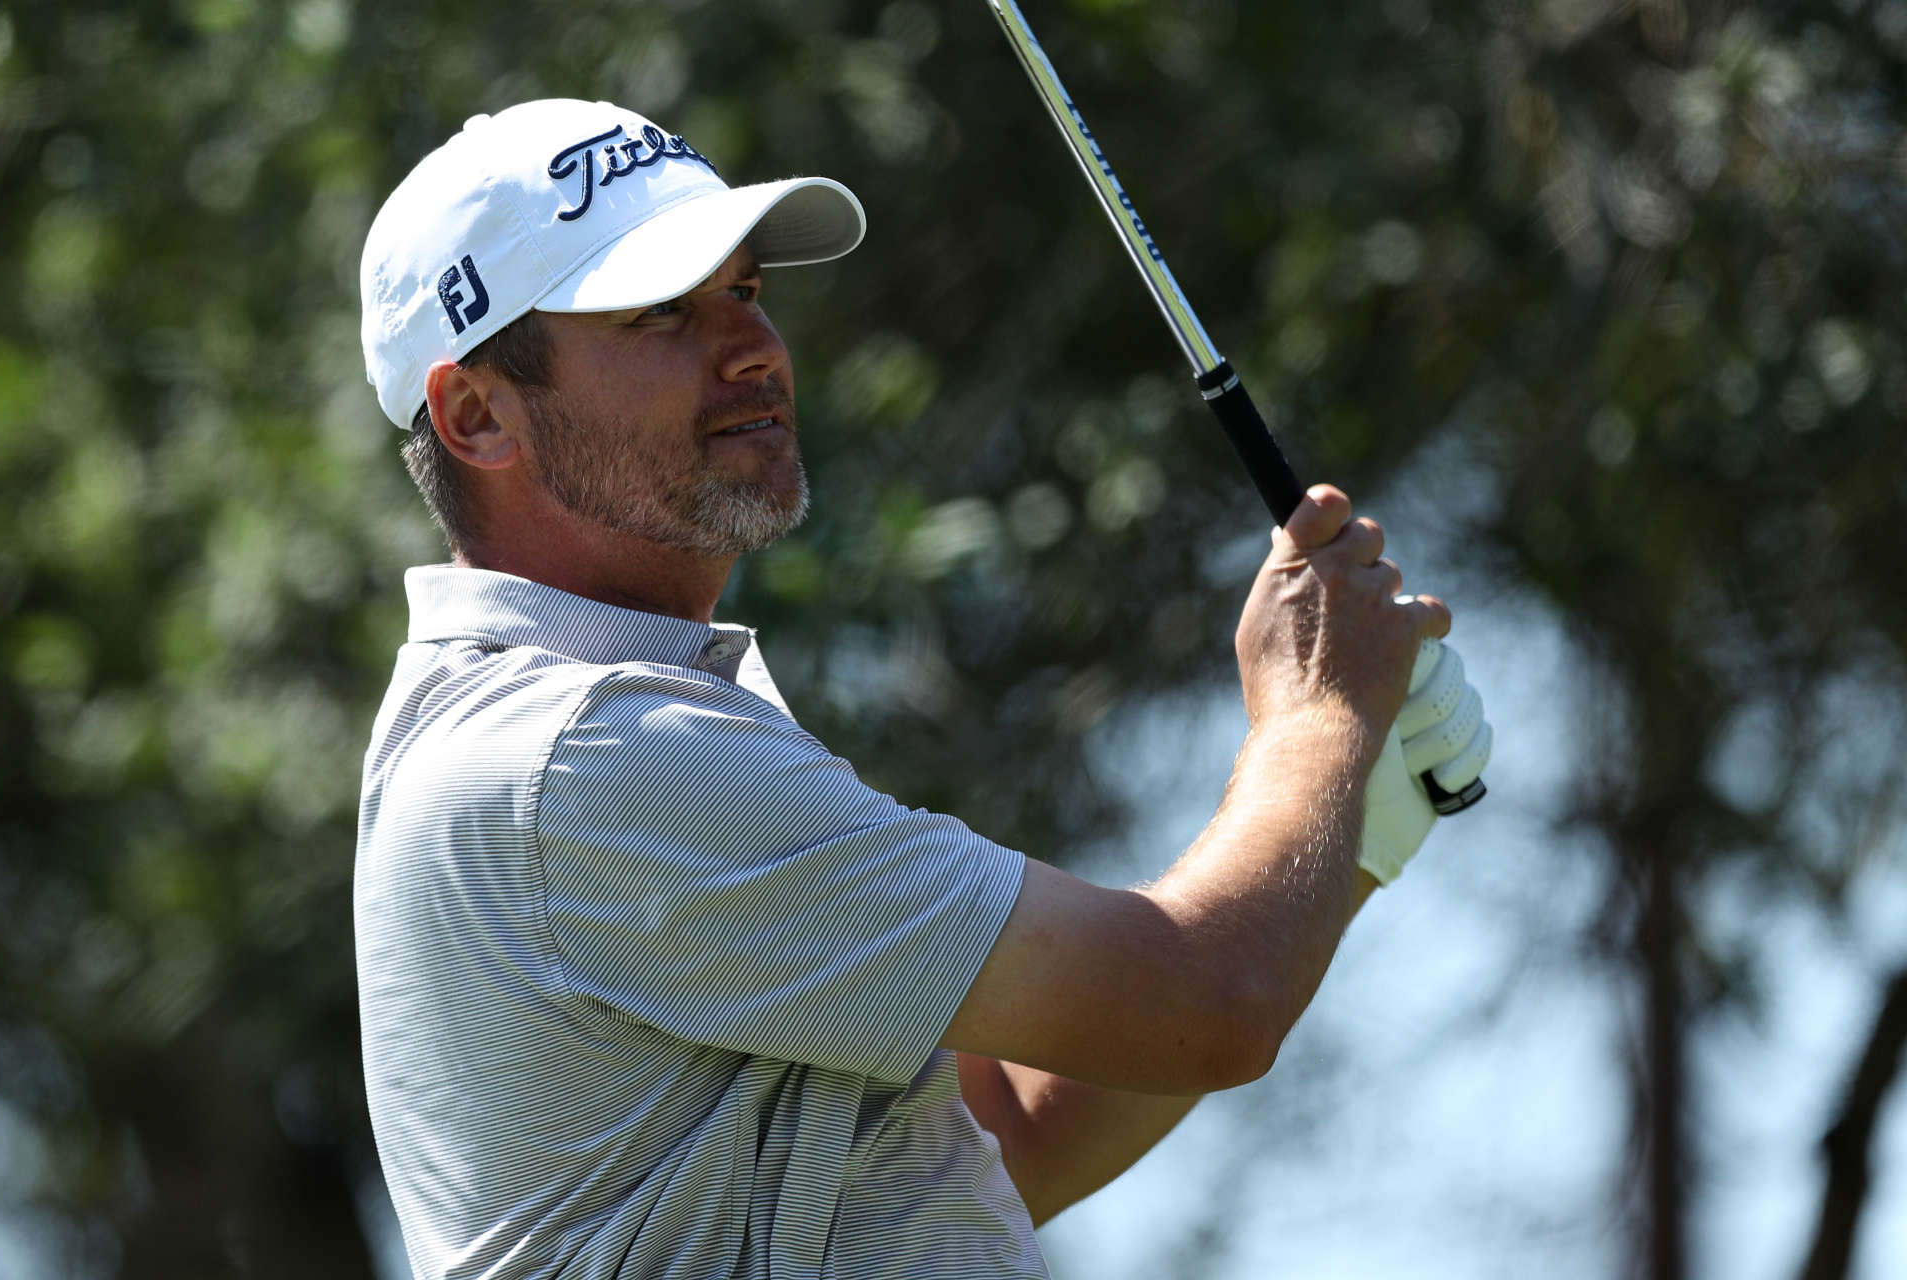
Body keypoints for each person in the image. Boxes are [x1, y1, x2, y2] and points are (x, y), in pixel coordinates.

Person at [354, 98, 1491, 1280]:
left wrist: (1350, 820)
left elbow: (1016, 1135)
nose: (752, 348)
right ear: (478, 414)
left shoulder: (610, 728)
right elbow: (1213, 995)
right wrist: (1316, 720)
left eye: (745, 291)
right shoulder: (590, 753)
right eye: (660, 312)